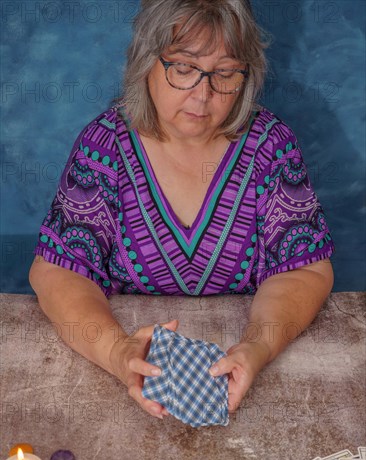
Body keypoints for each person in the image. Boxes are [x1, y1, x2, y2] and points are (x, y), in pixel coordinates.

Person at [29, 0, 335, 421]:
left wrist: (258, 346)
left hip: (244, 366)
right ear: (146, 64)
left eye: (225, 73)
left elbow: (305, 270)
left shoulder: (271, 146)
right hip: (117, 377)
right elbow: (58, 271)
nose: (203, 94)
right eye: (184, 68)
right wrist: (118, 351)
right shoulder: (105, 146)